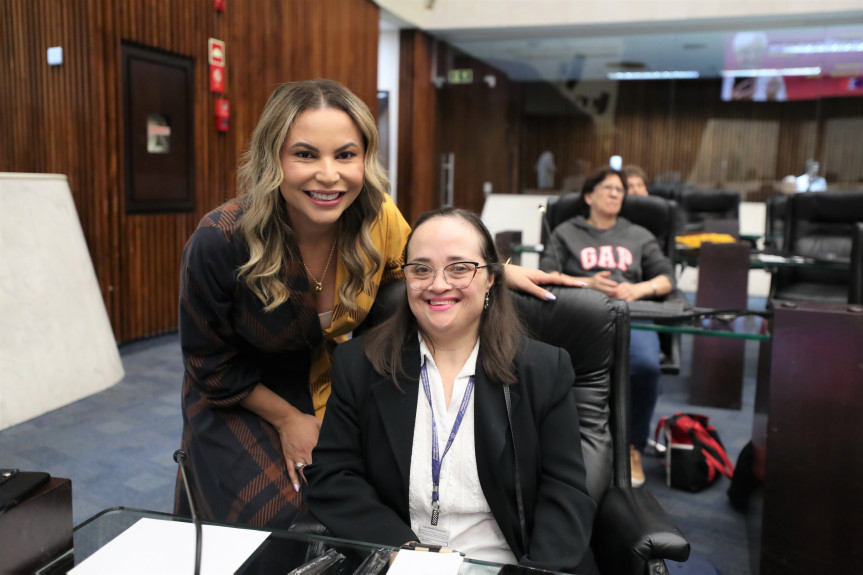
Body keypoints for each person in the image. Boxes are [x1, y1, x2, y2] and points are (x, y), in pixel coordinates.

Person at [176, 79, 585, 529]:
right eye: (306, 154)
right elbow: (207, 362)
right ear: (272, 157)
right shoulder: (221, 239)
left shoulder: (375, 217)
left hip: (330, 381)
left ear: (365, 159)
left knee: (362, 501)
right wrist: (289, 420)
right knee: (276, 520)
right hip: (241, 389)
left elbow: (428, 266)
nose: (329, 175)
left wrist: (495, 271)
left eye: (346, 155)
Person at [305, 207, 599, 574]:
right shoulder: (359, 363)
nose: (438, 284)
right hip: (401, 563)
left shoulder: (543, 369)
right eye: (422, 269)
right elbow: (333, 477)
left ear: (491, 277)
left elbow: (565, 494)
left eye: (459, 268)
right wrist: (402, 550)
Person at [538, 167, 675, 488]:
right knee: (556, 369)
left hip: (631, 311)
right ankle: (564, 446)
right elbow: (546, 276)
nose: (615, 193)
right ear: (589, 195)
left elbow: (667, 277)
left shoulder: (639, 234)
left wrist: (637, 289)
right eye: (608, 187)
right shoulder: (565, 232)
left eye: (620, 189)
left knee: (645, 367)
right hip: (581, 314)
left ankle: (633, 447)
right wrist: (587, 283)